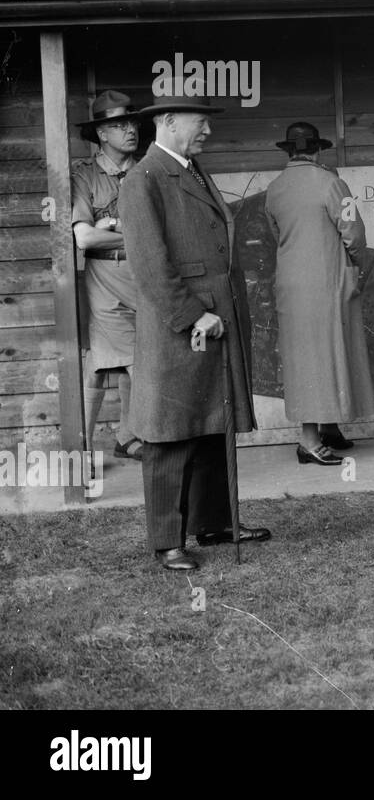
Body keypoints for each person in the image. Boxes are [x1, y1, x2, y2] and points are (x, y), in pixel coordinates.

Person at [118, 95, 269, 571]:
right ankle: (168, 541)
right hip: (181, 327)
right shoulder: (143, 179)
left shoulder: (191, 169)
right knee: (171, 432)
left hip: (214, 320)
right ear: (167, 121)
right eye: (199, 121)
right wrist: (191, 316)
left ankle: (215, 523)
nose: (207, 129)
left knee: (212, 422)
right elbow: (150, 267)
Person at [264, 122, 374, 467]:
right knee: (329, 353)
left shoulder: (274, 188)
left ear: (290, 152)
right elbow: (354, 234)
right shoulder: (332, 183)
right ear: (318, 150)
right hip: (327, 282)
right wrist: (354, 266)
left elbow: (276, 233)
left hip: (290, 284)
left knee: (305, 357)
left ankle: (327, 427)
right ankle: (309, 440)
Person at [70, 91, 144, 461]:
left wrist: (111, 225)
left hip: (143, 278)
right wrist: (131, 234)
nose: (130, 130)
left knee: (139, 359)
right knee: (99, 367)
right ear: (101, 133)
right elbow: (84, 236)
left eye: (132, 122)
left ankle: (128, 438)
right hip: (104, 276)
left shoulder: (147, 171)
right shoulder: (85, 176)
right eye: (119, 125)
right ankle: (82, 452)